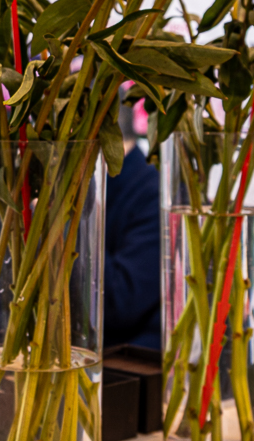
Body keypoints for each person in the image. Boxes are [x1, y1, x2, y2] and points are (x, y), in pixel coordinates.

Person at [104, 104, 162, 350]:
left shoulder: (153, 193)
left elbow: (120, 304)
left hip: (127, 364)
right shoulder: (101, 185)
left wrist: (59, 218)